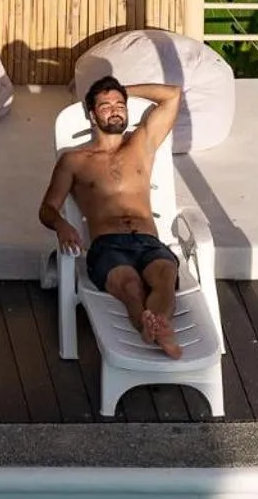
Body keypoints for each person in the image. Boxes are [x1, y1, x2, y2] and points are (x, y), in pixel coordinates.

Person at [38, 75, 184, 359]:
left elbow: (173, 95)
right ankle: (153, 326)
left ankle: (154, 326)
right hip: (108, 245)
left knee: (165, 274)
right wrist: (61, 225)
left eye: (120, 105)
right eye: (105, 106)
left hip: (148, 240)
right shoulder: (74, 161)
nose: (115, 110)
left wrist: (123, 90)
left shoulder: (142, 143)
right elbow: (47, 208)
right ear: (92, 116)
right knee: (130, 284)